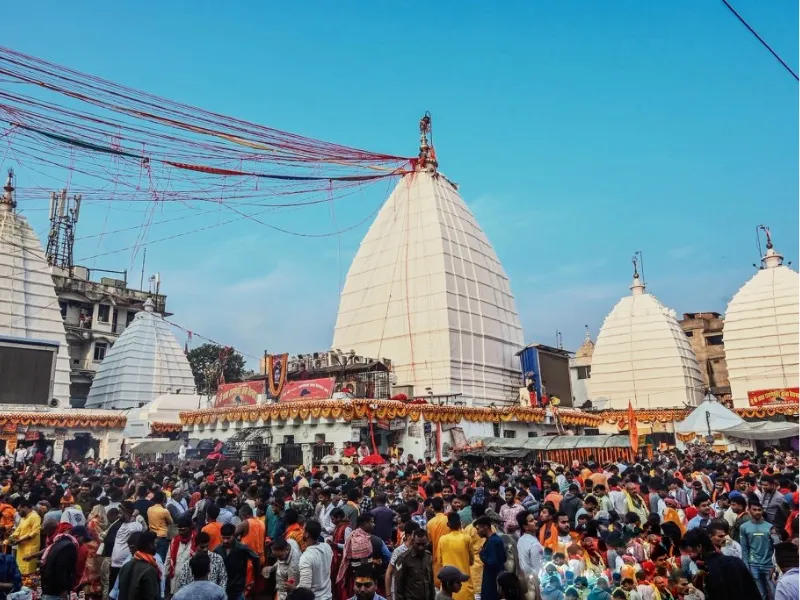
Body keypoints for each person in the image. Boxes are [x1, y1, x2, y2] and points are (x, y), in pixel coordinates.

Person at [739, 499, 775, 599]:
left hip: (769, 565)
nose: (757, 512)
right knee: (760, 594)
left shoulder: (770, 527)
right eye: (754, 510)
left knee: (774, 592)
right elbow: (744, 548)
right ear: (749, 510)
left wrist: (774, 565)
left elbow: (775, 547)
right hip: (753, 564)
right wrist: (747, 566)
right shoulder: (744, 527)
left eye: (759, 510)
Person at [215, 521, 260, 600]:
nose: (225, 541)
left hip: (238, 589)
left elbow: (256, 558)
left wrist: (256, 578)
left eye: (228, 538)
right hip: (222, 588)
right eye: (223, 538)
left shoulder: (242, 548)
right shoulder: (217, 550)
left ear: (234, 536)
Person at [435, 513, 472, 600]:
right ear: (460, 524)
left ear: (448, 525)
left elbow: (440, 561)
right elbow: (472, 561)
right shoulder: (466, 538)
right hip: (464, 585)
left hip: (448, 587)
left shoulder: (442, 539)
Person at [117, 531, 162, 600]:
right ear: (150, 545)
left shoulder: (126, 566)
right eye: (155, 543)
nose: (156, 546)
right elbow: (153, 596)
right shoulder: (150, 570)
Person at [298, 519, 333, 600]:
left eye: (303, 531)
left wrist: (293, 589)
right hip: (328, 596)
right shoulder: (327, 547)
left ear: (306, 534)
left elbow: (304, 588)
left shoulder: (306, 557)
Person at [395, 528, 434, 600]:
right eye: (418, 544)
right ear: (413, 542)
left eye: (423, 544)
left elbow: (431, 583)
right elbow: (398, 587)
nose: (421, 547)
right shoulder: (404, 559)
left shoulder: (429, 557)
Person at [475, 516, 505, 600]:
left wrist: (482, 553)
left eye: (478, 529)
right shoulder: (497, 539)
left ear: (485, 527)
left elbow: (491, 562)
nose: (477, 532)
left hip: (491, 582)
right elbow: (504, 558)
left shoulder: (492, 541)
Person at [10, 500, 40, 583]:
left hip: (30, 550)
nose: (18, 512)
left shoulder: (35, 516)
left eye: (19, 510)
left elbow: (35, 532)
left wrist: (20, 540)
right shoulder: (23, 519)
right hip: (21, 549)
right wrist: (9, 539)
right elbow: (17, 531)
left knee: (29, 575)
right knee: (21, 572)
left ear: (25, 508)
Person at [167, 513, 197, 595]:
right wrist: (165, 576)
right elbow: (168, 559)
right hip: (175, 581)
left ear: (191, 528)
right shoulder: (175, 541)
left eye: (183, 530)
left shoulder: (197, 541)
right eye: (179, 530)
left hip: (191, 582)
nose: (181, 532)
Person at [517, 510, 544, 578]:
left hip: (525, 580)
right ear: (525, 527)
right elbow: (538, 569)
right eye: (531, 521)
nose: (536, 521)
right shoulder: (535, 545)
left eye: (534, 519)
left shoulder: (521, 540)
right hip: (534, 581)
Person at [147, 491, 173, 561]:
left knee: (153, 557)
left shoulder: (149, 509)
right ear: (163, 499)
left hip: (152, 537)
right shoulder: (164, 511)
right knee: (162, 558)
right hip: (162, 537)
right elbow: (171, 522)